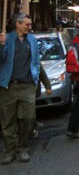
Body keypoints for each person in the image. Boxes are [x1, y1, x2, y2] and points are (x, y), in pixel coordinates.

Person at [0, 13, 52, 164]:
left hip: (27, 85)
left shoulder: (32, 41)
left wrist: (46, 84)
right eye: (27, 24)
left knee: (28, 119)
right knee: (8, 121)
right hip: (7, 86)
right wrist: (0, 45)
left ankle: (22, 147)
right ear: (18, 24)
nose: (30, 27)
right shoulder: (6, 39)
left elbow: (37, 63)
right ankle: (10, 150)